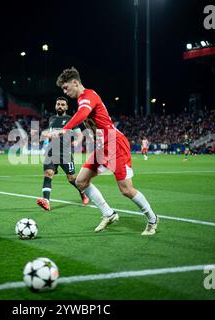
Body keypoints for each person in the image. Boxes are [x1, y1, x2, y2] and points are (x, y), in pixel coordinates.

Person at [52, 67, 159, 235]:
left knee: (126, 190)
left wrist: (65, 129)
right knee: (81, 182)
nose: (65, 92)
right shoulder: (82, 99)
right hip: (102, 146)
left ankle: (153, 219)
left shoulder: (88, 96)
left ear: (75, 82)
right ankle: (109, 214)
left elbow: (83, 113)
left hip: (115, 144)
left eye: (65, 88)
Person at [35, 97, 89, 211]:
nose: (60, 106)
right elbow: (49, 133)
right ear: (55, 106)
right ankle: (47, 202)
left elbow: (79, 135)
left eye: (62, 104)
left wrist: (77, 142)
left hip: (65, 154)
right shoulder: (51, 119)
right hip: (51, 153)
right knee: (48, 174)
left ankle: (83, 193)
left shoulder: (71, 119)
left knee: (71, 178)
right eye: (58, 104)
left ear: (66, 107)